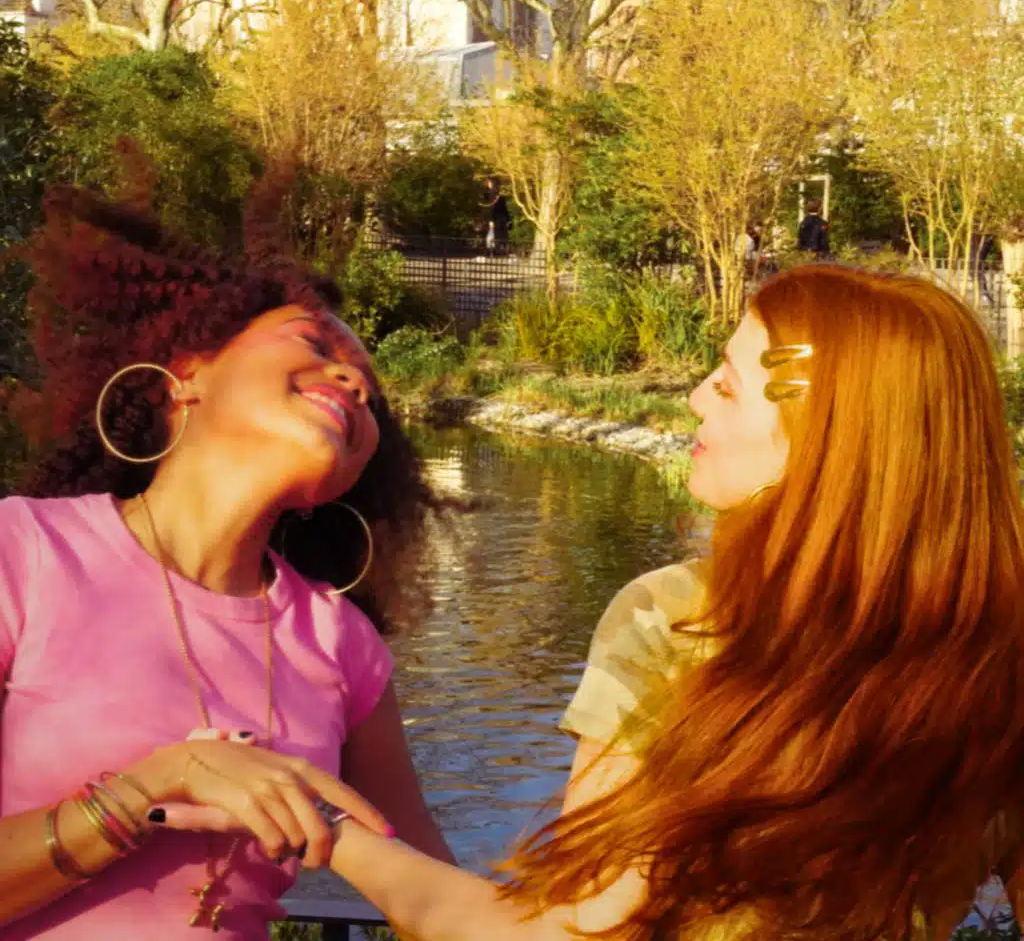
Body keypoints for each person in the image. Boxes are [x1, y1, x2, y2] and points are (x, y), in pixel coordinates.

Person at [165, 264, 1024, 939]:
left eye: (726, 385)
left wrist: (317, 821)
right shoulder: (999, 664)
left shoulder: (682, 622)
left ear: (822, 439)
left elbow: (576, 932)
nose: (694, 395)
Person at [0, 164, 453, 938]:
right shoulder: (23, 554)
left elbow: (437, 900)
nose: (353, 381)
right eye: (313, 343)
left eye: (371, 396)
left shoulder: (343, 646)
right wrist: (145, 792)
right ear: (188, 373)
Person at [482, 177, 510, 255]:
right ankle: (500, 250)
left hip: (496, 217)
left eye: (489, 183)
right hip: (501, 218)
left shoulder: (492, 193)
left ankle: (494, 251)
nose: (488, 185)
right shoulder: (499, 193)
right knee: (499, 234)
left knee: (494, 234)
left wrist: (491, 219)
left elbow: (492, 207)